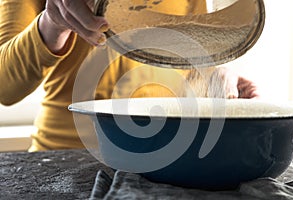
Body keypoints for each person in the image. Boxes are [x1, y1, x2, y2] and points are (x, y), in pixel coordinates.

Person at [0, 0, 259, 152]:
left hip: (166, 160)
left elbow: (186, 60)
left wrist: (213, 78)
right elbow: (5, 88)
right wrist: (52, 23)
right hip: (65, 156)